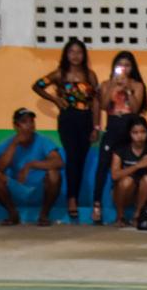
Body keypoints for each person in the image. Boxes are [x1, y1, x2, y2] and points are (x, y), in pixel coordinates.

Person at [32, 38, 99, 222]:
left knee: (81, 161)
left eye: (79, 52)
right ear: (66, 54)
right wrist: (55, 100)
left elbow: (95, 102)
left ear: (84, 55)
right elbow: (37, 85)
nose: (75, 56)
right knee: (72, 159)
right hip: (68, 119)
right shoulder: (59, 74)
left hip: (86, 120)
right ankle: (71, 199)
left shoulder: (90, 75)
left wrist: (96, 127)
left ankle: (74, 197)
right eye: (72, 52)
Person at [91, 50, 147, 226]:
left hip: (129, 130)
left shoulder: (137, 85)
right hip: (112, 129)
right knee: (102, 167)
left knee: (130, 170)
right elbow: (103, 105)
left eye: (127, 65)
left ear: (133, 68)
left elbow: (136, 108)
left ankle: (131, 211)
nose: (124, 68)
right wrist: (114, 88)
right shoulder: (106, 83)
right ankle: (97, 206)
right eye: (120, 65)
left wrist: (127, 91)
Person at [0, 108, 64, 226]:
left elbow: (59, 162)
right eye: (24, 122)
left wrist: (31, 165)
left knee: (54, 173)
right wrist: (14, 144)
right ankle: (13, 214)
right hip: (17, 190)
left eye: (32, 121)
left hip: (39, 191)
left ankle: (44, 215)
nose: (29, 125)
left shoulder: (43, 140)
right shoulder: (9, 142)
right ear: (16, 126)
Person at [108, 115, 147, 227]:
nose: (139, 136)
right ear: (129, 133)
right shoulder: (120, 149)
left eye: (143, 132)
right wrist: (138, 165)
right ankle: (120, 216)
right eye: (135, 132)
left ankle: (137, 216)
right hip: (123, 192)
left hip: (145, 192)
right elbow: (114, 175)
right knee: (127, 181)